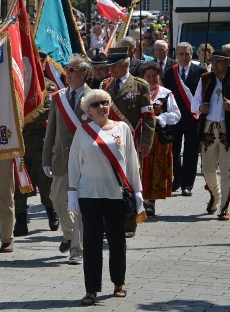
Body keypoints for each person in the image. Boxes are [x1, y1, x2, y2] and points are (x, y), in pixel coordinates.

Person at [68, 89, 143, 305]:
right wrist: (72, 192)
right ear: (88, 111)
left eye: (105, 102)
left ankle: (119, 282)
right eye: (96, 104)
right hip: (89, 194)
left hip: (115, 194)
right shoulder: (82, 132)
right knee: (91, 243)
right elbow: (74, 164)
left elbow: (131, 160)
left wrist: (137, 191)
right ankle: (91, 289)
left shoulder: (122, 129)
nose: (102, 106)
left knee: (117, 240)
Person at [191, 50, 230, 221]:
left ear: (227, 62)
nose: (215, 65)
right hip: (208, 128)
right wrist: (199, 108)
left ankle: (224, 206)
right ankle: (216, 195)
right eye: (213, 62)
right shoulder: (205, 78)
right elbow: (194, 101)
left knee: (226, 170)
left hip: (229, 128)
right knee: (207, 168)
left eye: (218, 62)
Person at [42, 54, 92, 265]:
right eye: (67, 69)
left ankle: (76, 249)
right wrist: (46, 159)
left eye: (72, 70)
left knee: (78, 205)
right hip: (61, 158)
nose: (67, 74)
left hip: (84, 160)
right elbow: (51, 130)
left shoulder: (95, 97)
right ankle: (71, 235)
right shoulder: (59, 97)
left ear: (84, 74)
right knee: (56, 199)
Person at [102, 47, 155, 237]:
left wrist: (146, 142)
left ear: (125, 64)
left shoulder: (140, 86)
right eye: (110, 66)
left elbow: (148, 117)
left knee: (129, 183)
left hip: (130, 143)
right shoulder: (105, 85)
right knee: (108, 182)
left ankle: (129, 224)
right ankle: (108, 223)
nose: (111, 70)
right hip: (107, 143)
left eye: (114, 66)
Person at [14, 52, 59, 236]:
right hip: (21, 142)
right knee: (20, 184)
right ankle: (21, 220)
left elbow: (50, 109)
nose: (36, 64)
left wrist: (32, 117)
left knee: (45, 182)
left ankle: (52, 213)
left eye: (39, 62)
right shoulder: (19, 84)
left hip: (41, 142)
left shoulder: (49, 86)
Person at [162, 42, 206, 196]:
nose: (184, 57)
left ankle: (187, 184)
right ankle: (177, 179)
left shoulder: (201, 71)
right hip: (175, 119)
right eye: (181, 54)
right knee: (174, 152)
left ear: (191, 55)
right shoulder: (169, 72)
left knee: (190, 153)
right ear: (176, 55)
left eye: (187, 54)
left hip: (193, 118)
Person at [140, 63, 181, 216]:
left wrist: (160, 118)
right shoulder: (137, 92)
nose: (151, 79)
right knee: (140, 168)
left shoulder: (166, 94)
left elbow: (176, 115)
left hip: (158, 138)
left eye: (154, 76)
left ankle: (151, 201)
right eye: (148, 76)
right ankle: (140, 199)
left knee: (155, 169)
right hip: (140, 136)